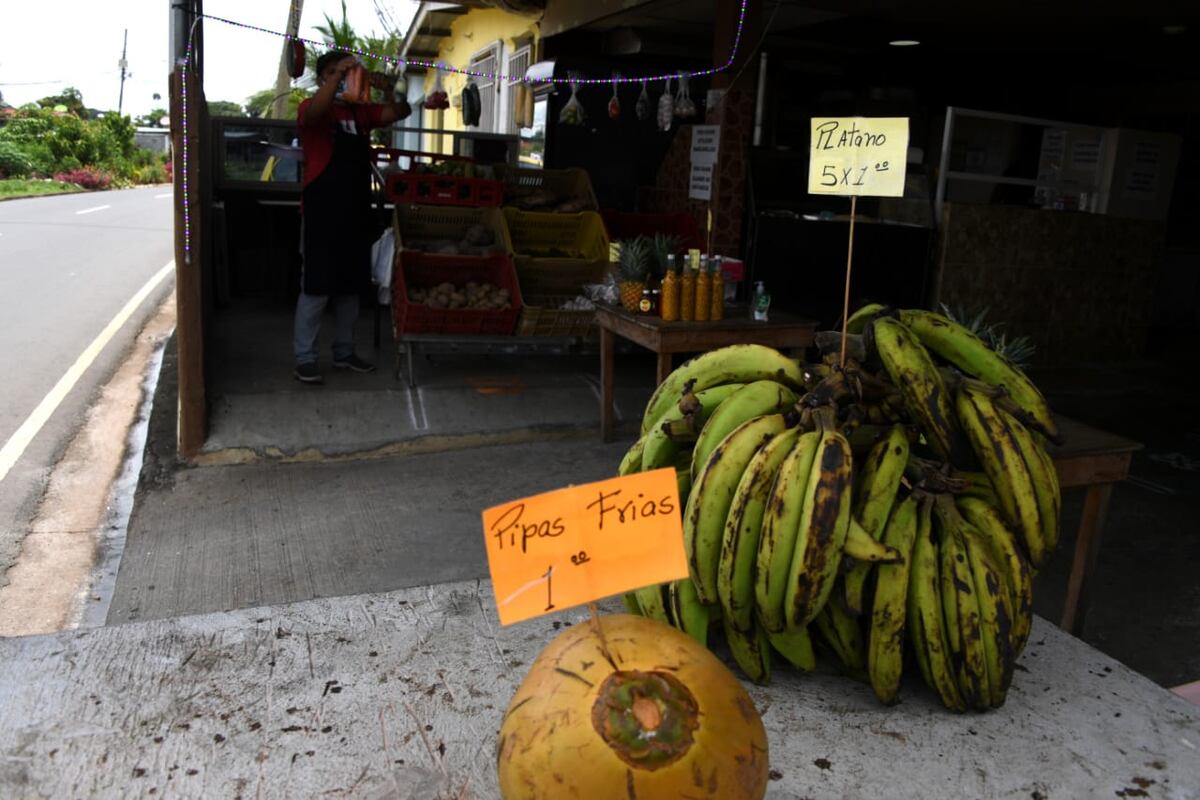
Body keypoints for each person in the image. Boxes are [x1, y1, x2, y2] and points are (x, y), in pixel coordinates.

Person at [293, 51, 411, 384]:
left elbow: (401, 111)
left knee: (349, 289)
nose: (341, 78)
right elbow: (315, 113)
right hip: (320, 214)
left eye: (346, 73)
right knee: (315, 287)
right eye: (332, 74)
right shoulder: (312, 108)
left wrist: (388, 89)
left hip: (355, 211)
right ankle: (305, 357)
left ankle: (344, 353)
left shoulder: (361, 113)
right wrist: (336, 78)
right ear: (322, 79)